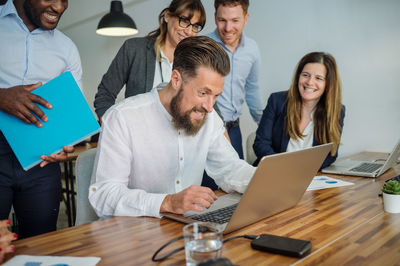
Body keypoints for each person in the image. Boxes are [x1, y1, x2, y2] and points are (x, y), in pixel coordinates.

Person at [89, 36, 255, 217]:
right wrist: (167, 202)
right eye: (203, 93)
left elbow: (230, 168)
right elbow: (104, 194)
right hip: (133, 233)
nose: (209, 106)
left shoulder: (209, 117)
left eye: (215, 96)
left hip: (186, 229)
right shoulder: (122, 118)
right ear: (176, 79)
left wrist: (270, 180)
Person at [0, 0, 82, 238]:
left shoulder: (67, 48)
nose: (59, 7)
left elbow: (70, 114)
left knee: (42, 243)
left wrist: (67, 142)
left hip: (43, 162)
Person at [94, 0, 206, 120]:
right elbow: (104, 95)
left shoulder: (196, 63)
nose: (189, 31)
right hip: (137, 134)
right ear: (167, 16)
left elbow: (209, 107)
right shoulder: (134, 49)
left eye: (195, 26)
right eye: (184, 20)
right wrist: (113, 127)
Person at [253, 52, 345, 168]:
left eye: (318, 78)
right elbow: (261, 144)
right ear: (298, 77)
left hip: (309, 178)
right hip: (273, 172)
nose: (310, 82)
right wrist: (284, 168)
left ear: (328, 84)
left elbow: (330, 154)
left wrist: (305, 171)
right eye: (305, 75)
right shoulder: (277, 101)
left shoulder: (336, 111)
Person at [206, 0, 263, 160]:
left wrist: (264, 126)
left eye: (235, 20)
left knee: (236, 182)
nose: (228, 28)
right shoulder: (203, 45)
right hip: (207, 129)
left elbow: (252, 89)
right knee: (207, 184)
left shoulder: (252, 49)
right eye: (222, 20)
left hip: (234, 130)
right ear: (215, 17)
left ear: (246, 18)